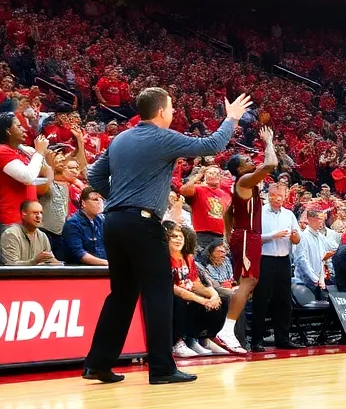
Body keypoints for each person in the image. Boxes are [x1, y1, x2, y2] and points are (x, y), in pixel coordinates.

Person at [84, 88, 252, 385]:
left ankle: (97, 364)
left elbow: (94, 176)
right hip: (142, 223)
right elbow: (211, 145)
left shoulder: (121, 138)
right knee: (159, 293)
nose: (173, 113)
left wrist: (119, 199)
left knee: (121, 296)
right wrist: (231, 119)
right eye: (172, 108)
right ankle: (161, 368)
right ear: (161, 111)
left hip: (114, 221)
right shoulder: (161, 137)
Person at [212, 127, 279, 355]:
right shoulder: (245, 180)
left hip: (245, 236)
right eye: (248, 160)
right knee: (248, 282)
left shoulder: (243, 186)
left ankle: (227, 329)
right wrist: (269, 141)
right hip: (247, 236)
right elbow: (270, 165)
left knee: (248, 284)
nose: (252, 161)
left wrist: (228, 234)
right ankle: (227, 330)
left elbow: (227, 212)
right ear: (239, 169)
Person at [0, 115, 55, 244]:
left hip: (27, 219)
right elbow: (27, 177)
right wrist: (39, 153)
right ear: (8, 130)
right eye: (18, 126)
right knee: (14, 262)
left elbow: (44, 177)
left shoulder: (21, 152)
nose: (24, 129)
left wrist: (39, 155)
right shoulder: (1, 151)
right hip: (9, 220)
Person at [166, 222, 226, 357]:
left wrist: (213, 295)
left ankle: (204, 339)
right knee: (182, 301)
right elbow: (174, 289)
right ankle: (178, 342)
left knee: (222, 301)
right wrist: (201, 300)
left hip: (188, 294)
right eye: (174, 236)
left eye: (180, 236)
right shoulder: (164, 258)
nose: (178, 239)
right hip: (171, 297)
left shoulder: (188, 258)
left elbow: (196, 284)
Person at [254, 180, 300, 351]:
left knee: (284, 300)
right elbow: (254, 238)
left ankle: (283, 338)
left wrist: (295, 236)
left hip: (283, 260)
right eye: (274, 195)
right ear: (268, 195)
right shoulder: (259, 212)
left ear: (285, 197)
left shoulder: (289, 214)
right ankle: (257, 340)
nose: (277, 199)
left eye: (280, 196)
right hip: (265, 259)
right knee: (261, 300)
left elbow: (297, 239)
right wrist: (273, 235)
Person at [180, 162, 231, 252]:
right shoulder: (198, 189)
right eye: (211, 173)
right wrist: (198, 175)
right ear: (204, 176)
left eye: (217, 173)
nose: (215, 175)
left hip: (219, 235)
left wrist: (227, 237)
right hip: (202, 234)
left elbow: (226, 217)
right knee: (202, 261)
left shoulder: (226, 195)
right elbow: (183, 190)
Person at [0, 200, 63, 266]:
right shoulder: (11, 234)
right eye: (35, 213)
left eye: (41, 213)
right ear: (24, 214)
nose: (39, 216)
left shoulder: (43, 236)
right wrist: (35, 261)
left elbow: (50, 261)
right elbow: (11, 265)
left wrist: (58, 264)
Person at [294, 207, 339, 295]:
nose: (322, 222)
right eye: (320, 219)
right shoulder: (303, 237)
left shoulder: (320, 236)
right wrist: (314, 278)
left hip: (319, 279)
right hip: (305, 282)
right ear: (311, 220)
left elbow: (334, 247)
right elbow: (301, 260)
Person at [62, 186, 108, 266]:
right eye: (95, 199)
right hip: (80, 271)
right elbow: (79, 254)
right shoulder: (72, 224)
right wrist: (106, 263)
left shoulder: (101, 220)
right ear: (83, 203)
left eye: (102, 199)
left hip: (102, 268)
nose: (100, 202)